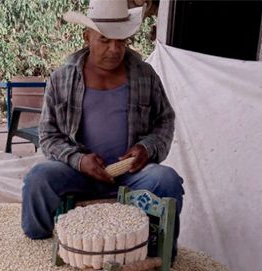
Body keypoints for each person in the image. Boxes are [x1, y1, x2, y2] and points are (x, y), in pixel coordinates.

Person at [21, 0, 184, 257]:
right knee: (38, 178)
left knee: (168, 180)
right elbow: (48, 135)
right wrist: (79, 159)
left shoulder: (145, 75)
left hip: (131, 174)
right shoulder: (62, 78)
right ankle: (37, 245)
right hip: (78, 173)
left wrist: (146, 148)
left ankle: (157, 254)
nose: (114, 49)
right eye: (105, 40)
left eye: (121, 41)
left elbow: (165, 120)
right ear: (87, 37)